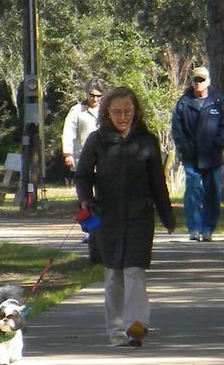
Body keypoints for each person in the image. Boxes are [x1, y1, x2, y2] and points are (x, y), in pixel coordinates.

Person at [74, 86, 176, 347]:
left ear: (136, 112)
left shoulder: (147, 140)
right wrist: (86, 200)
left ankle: (136, 326)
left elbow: (157, 182)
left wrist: (167, 215)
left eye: (127, 112)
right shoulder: (97, 140)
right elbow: (83, 175)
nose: (122, 117)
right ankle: (115, 330)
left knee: (134, 271)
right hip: (107, 216)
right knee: (113, 274)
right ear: (107, 112)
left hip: (140, 216)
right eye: (117, 112)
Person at [170, 65, 224, 241]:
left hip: (212, 157)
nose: (198, 83)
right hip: (191, 157)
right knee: (193, 191)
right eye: (195, 80)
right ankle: (194, 229)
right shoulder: (183, 103)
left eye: (202, 80)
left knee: (212, 193)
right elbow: (177, 130)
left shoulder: (218, 102)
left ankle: (208, 229)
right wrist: (185, 148)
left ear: (208, 82)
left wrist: (217, 144)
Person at [61, 79, 103, 172]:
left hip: (103, 161)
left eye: (98, 96)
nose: (95, 99)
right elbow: (68, 132)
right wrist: (68, 154)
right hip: (82, 159)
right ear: (87, 94)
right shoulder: (76, 110)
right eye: (92, 95)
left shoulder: (108, 110)